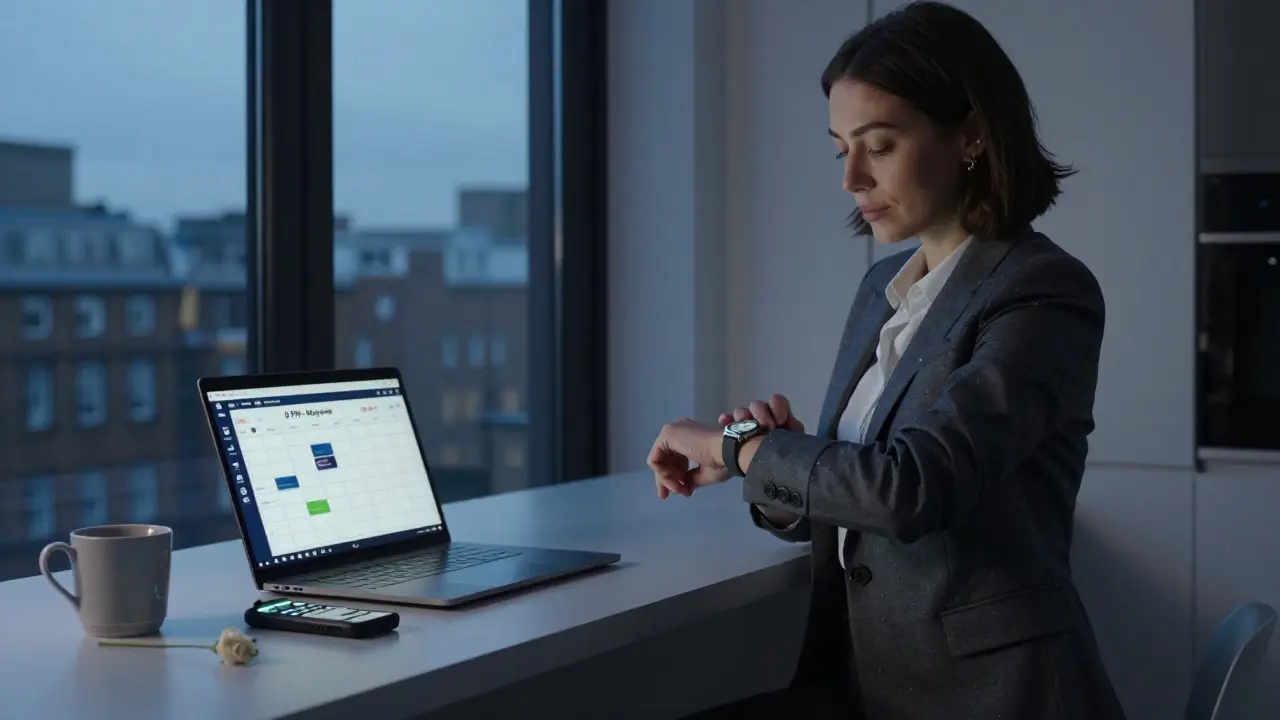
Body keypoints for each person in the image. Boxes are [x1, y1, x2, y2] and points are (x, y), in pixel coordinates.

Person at [646, 3, 1128, 719]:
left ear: (969, 136)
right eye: (841, 148)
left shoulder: (1043, 291)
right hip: (872, 679)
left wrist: (749, 448)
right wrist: (767, 466)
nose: (852, 178)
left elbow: (913, 487)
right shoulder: (884, 289)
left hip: (991, 696)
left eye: (879, 144)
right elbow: (864, 497)